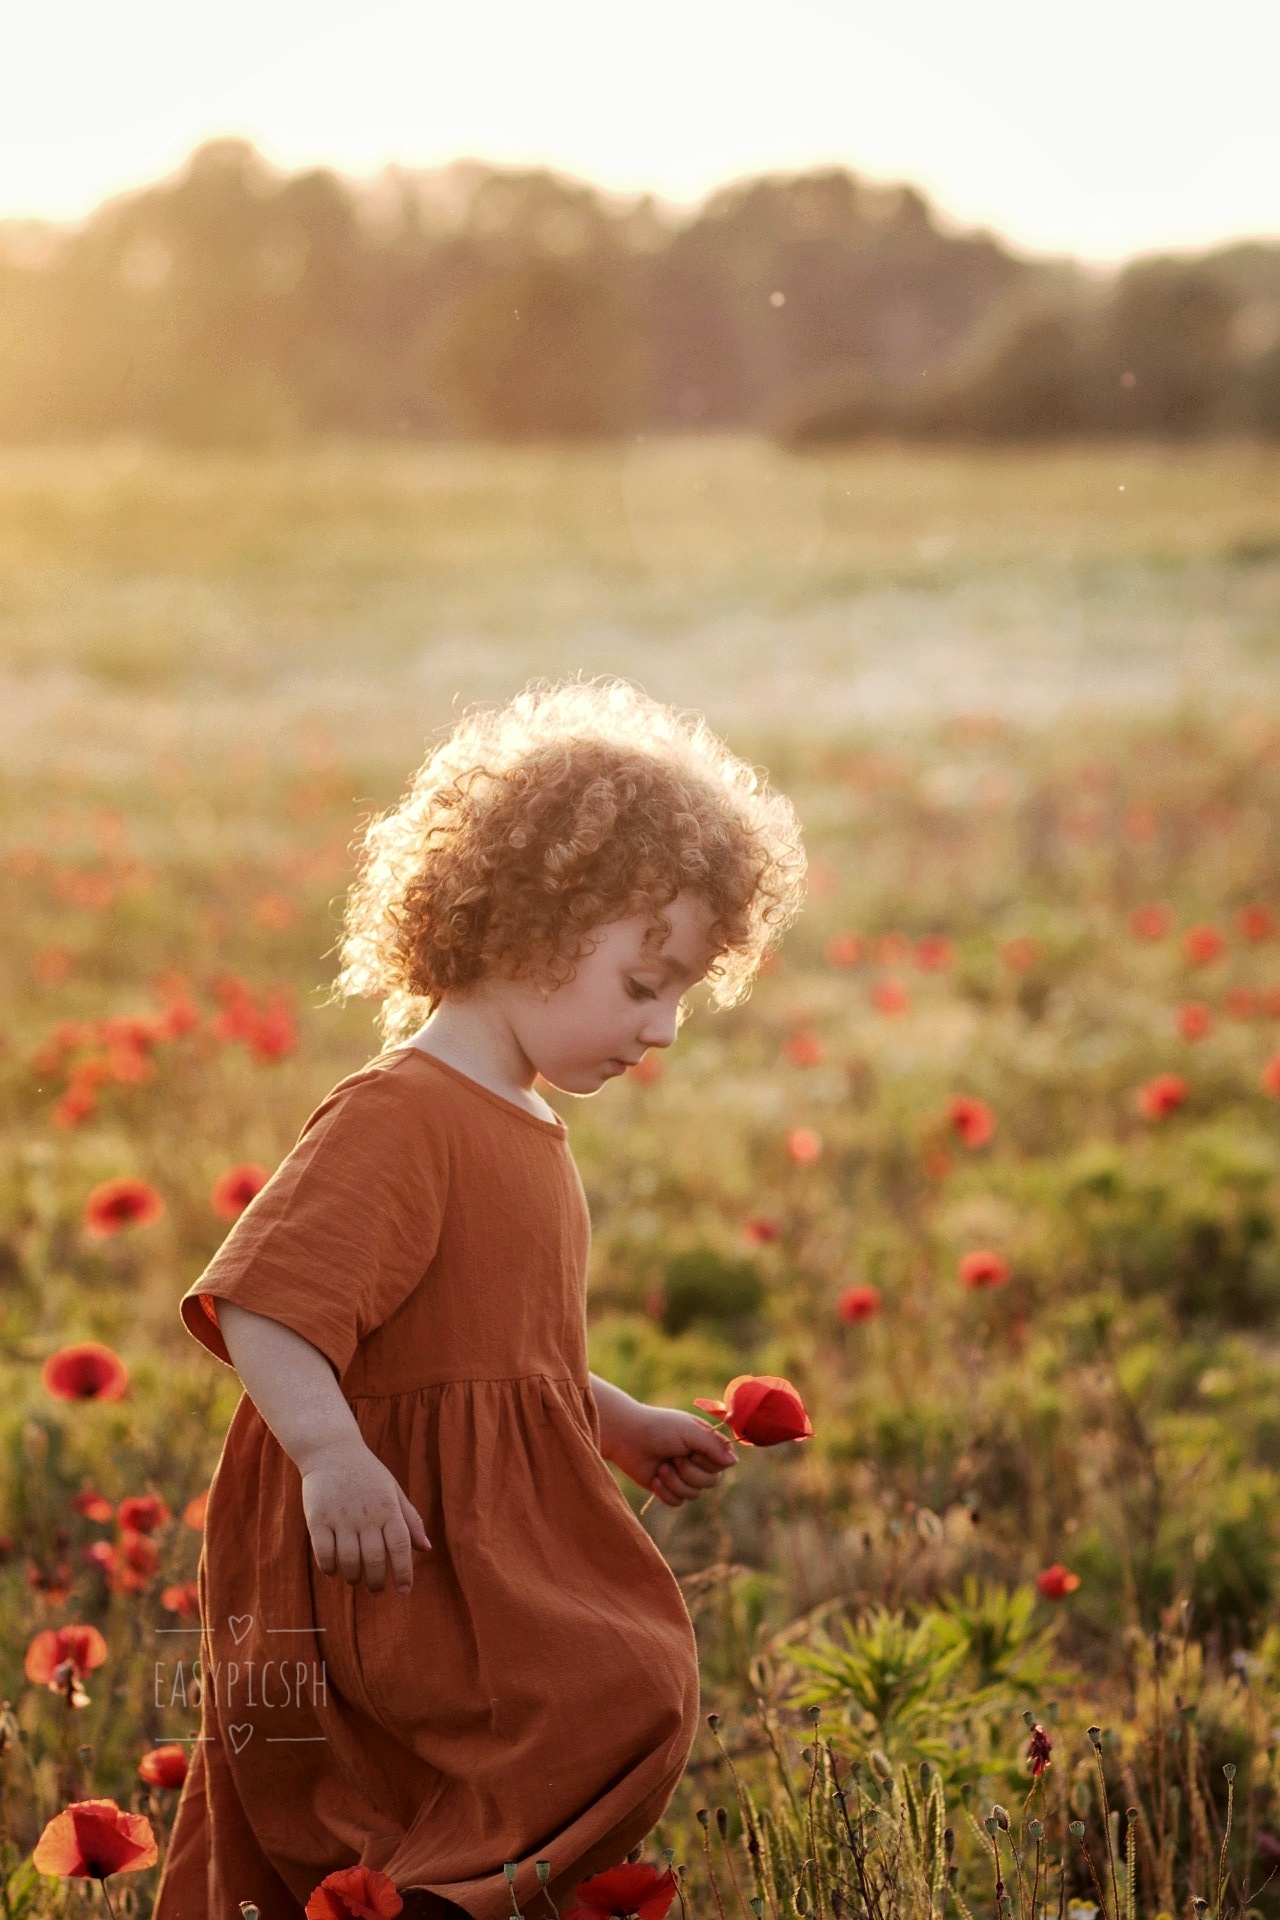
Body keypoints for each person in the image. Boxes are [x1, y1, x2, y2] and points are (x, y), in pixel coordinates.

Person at [152, 676, 806, 1920]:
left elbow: (489, 1342)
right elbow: (265, 1306)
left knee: (589, 1694)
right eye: (641, 981)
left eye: (680, 995)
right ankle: (434, 1900)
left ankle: (427, 1895)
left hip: (462, 1525)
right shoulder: (399, 1114)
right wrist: (332, 1455)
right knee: (580, 1696)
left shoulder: (521, 1121)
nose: (663, 1027)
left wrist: (608, 1418)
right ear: (524, 930)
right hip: (368, 1537)